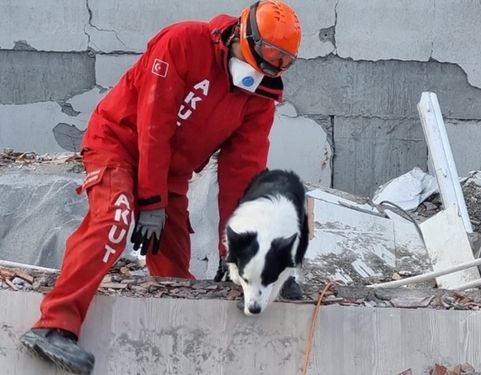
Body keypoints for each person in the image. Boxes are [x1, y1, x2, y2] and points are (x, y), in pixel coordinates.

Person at [19, 1, 302, 373]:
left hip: (171, 172)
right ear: (241, 35)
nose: (264, 70)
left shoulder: (260, 97)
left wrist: (237, 246)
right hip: (117, 145)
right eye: (266, 55)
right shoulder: (184, 42)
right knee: (114, 221)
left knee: (172, 270)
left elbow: (243, 173)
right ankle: (53, 326)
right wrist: (150, 201)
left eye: (281, 61)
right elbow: (155, 121)